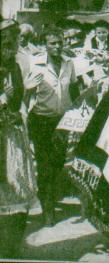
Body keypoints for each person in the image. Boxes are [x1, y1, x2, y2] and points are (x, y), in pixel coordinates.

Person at [26, 26, 80, 226]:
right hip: (41, 120)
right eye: (53, 43)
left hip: (62, 121)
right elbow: (26, 91)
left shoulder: (69, 63)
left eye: (60, 42)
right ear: (45, 45)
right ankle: (47, 207)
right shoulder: (35, 63)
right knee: (45, 164)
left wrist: (79, 111)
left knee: (58, 162)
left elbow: (73, 89)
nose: (57, 47)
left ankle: (49, 196)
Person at [0, 18, 37, 257]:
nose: (9, 48)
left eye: (12, 43)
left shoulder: (15, 67)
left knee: (19, 185)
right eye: (4, 43)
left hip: (13, 134)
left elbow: (20, 101)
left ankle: (12, 244)